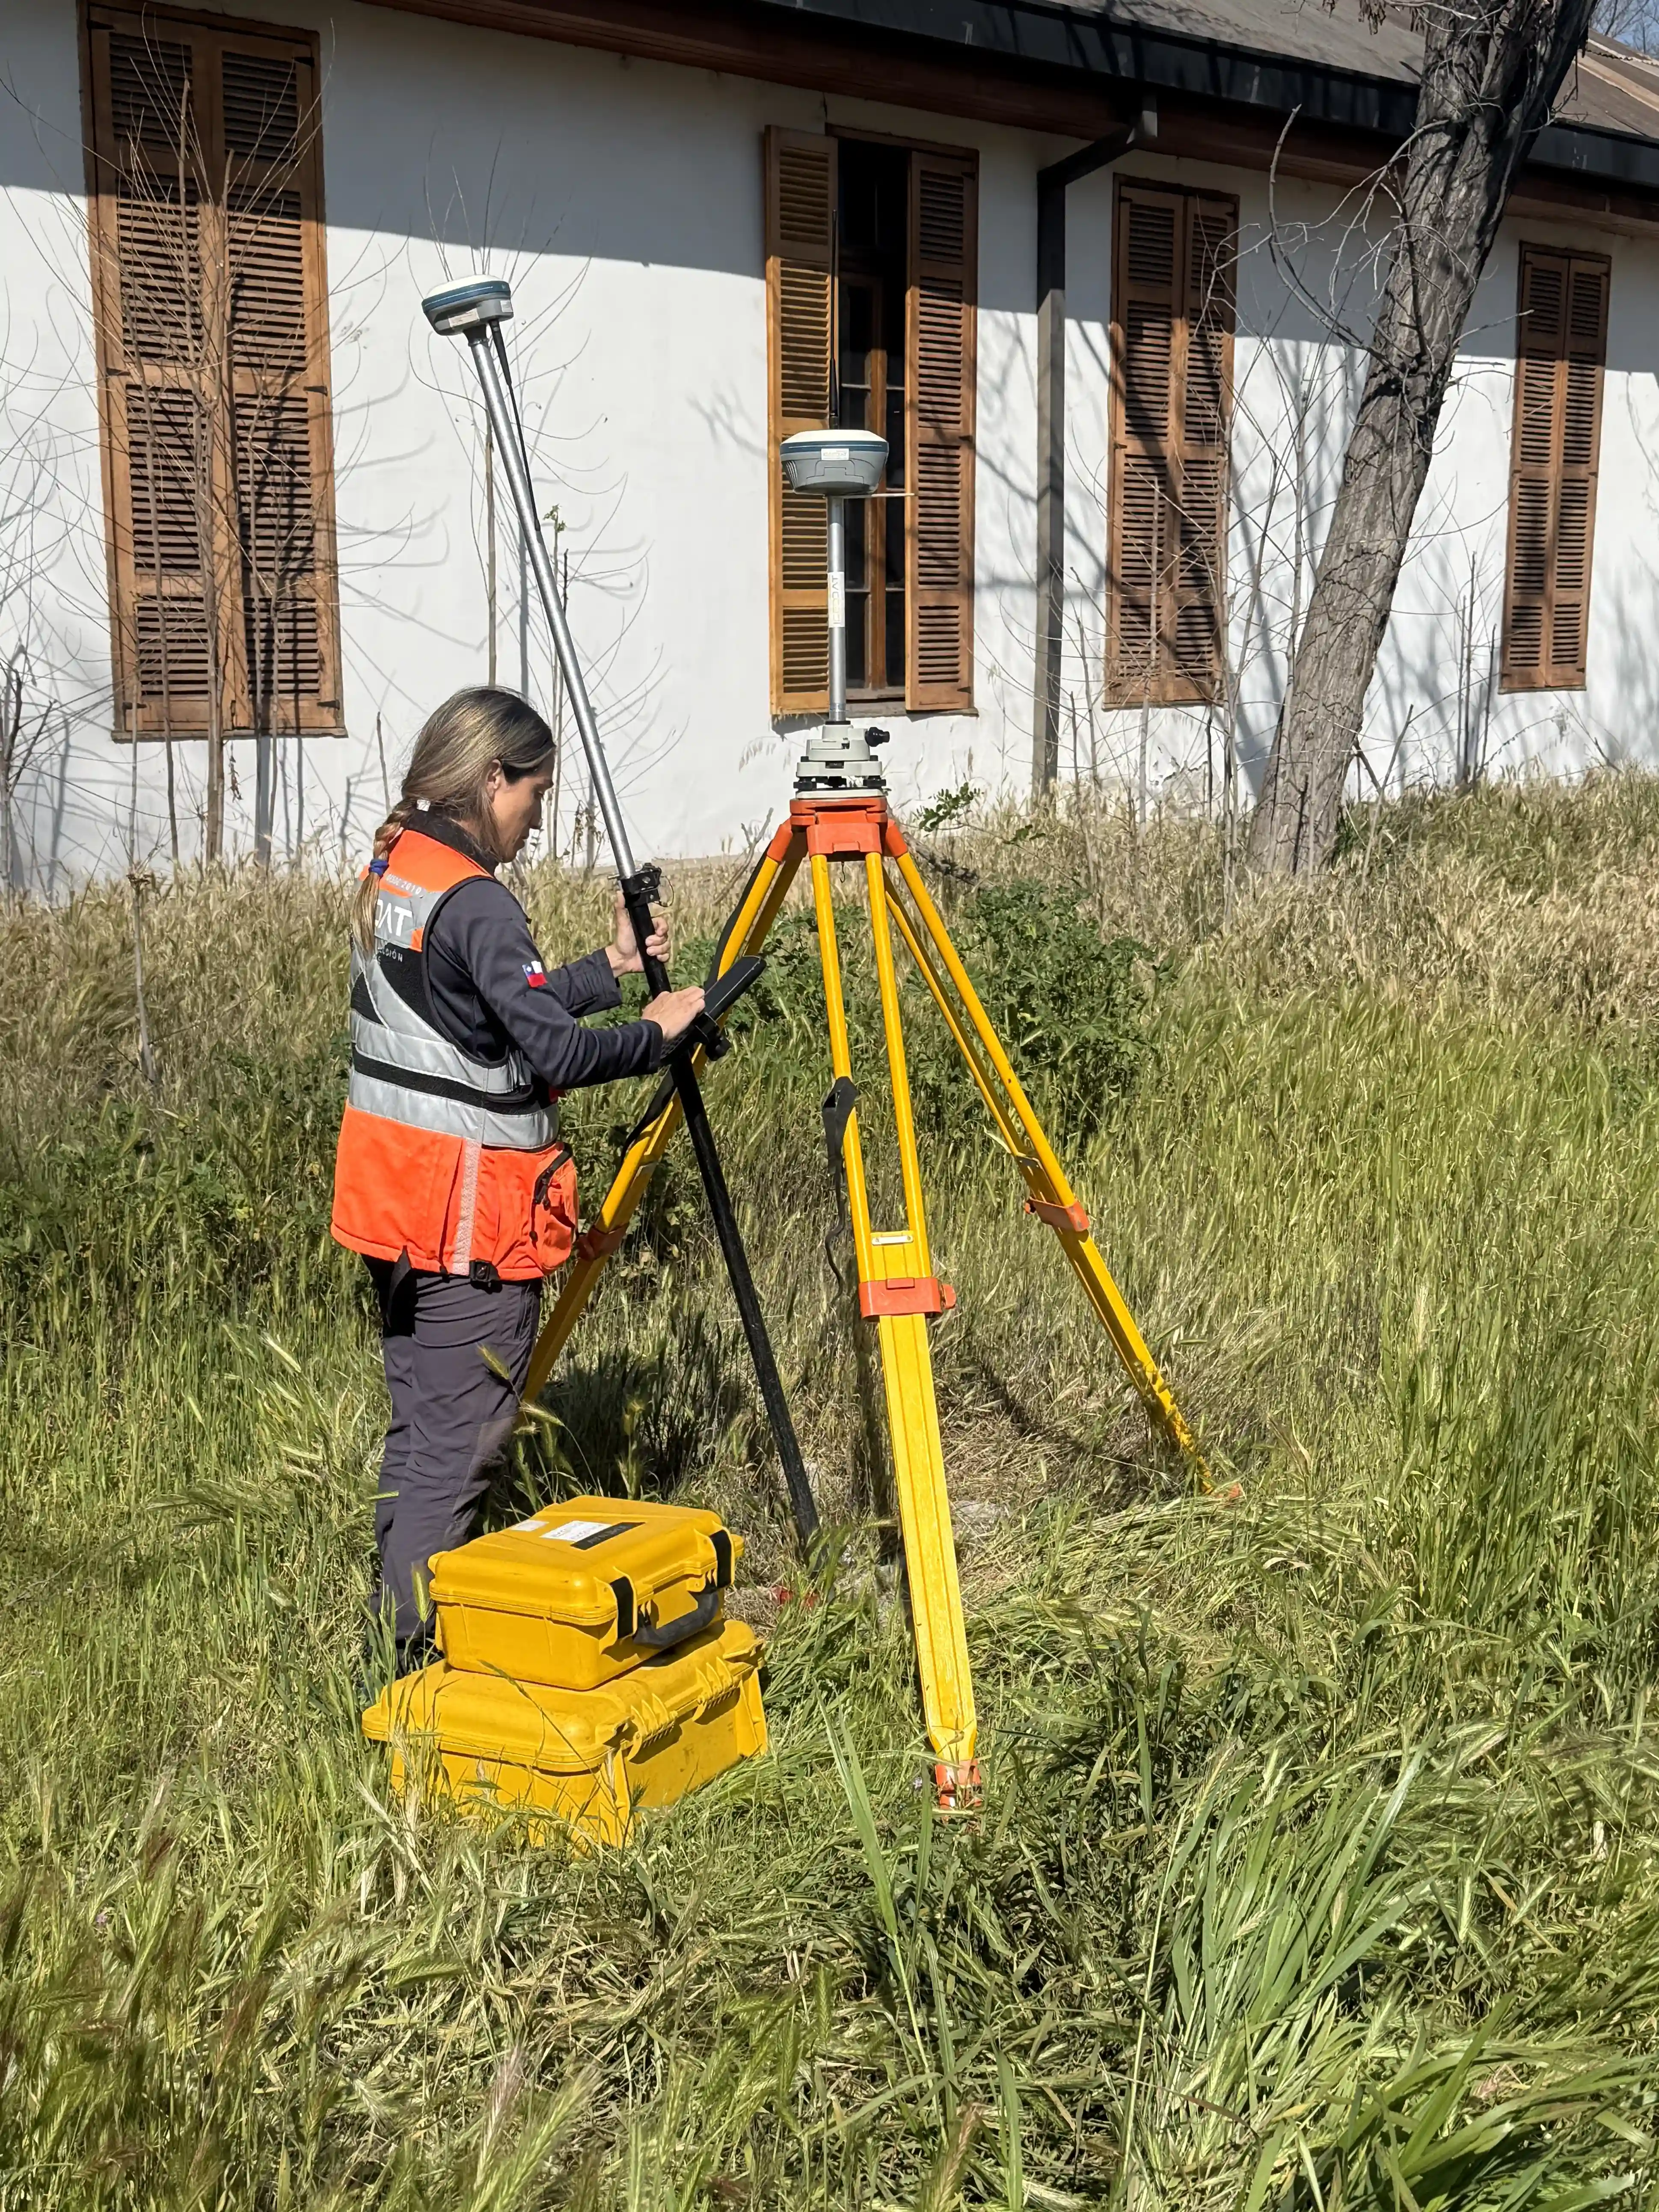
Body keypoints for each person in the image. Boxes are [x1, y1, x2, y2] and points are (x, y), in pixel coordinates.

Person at [331, 686, 705, 1672]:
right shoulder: (483, 900)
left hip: (400, 1209)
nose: (536, 820)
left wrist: (608, 968)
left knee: (420, 1437)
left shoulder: (400, 864)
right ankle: (415, 1674)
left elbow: (480, 1012)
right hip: (470, 1228)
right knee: (458, 1453)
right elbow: (556, 1053)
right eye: (533, 794)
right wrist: (657, 1030)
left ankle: (395, 1637)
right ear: (490, 778)